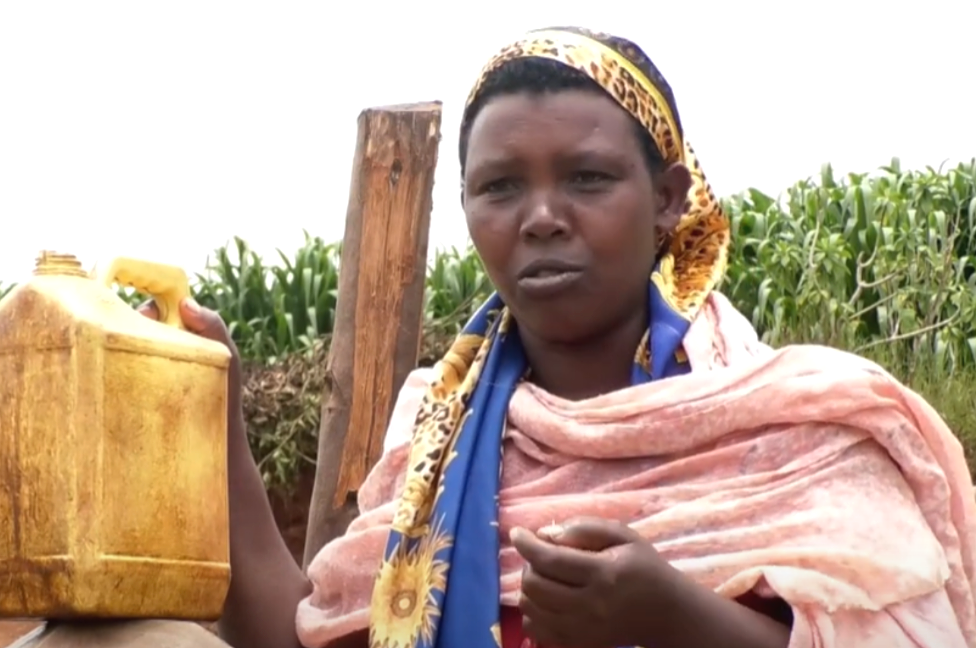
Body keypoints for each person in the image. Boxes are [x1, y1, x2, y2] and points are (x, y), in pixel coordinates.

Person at [142, 26, 976, 648]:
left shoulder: (802, 427)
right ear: (466, 207)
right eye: (500, 187)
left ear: (668, 198)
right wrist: (214, 424)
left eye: (587, 177)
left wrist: (676, 616)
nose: (541, 217)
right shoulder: (436, 430)